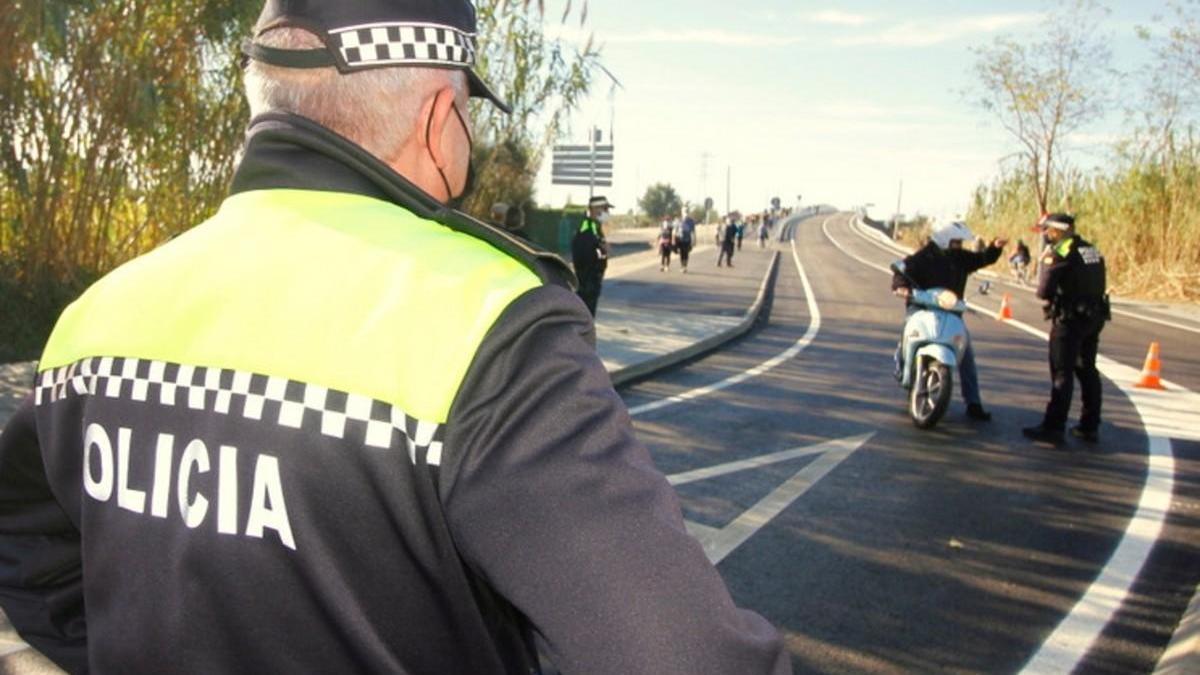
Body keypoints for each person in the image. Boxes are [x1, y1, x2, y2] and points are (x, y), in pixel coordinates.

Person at [0, 1, 790, 673]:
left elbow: (28, 556)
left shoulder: (94, 320)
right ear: (440, 119)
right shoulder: (494, 322)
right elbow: (681, 655)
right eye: (470, 115)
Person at [891, 220, 1008, 421]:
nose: (959, 246)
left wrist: (994, 249)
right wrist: (901, 287)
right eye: (956, 242)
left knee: (966, 354)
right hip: (922, 307)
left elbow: (981, 259)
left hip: (951, 312)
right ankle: (903, 372)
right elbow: (903, 270)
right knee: (907, 335)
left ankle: (974, 402)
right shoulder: (923, 257)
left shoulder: (960, 258)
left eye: (960, 242)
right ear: (945, 240)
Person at [1023, 213, 1110, 445]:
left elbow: (1043, 290)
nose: (1046, 235)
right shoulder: (1091, 249)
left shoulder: (1061, 251)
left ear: (1058, 231)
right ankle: (1089, 425)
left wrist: (1045, 261)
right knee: (1087, 370)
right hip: (1094, 317)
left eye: (1048, 231)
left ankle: (1053, 426)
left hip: (1070, 320)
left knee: (1063, 373)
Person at [571, 195, 611, 315]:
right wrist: (602, 250)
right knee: (585, 317)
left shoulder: (595, 227)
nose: (607, 213)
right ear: (595, 209)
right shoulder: (588, 227)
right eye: (605, 209)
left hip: (592, 280)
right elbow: (585, 254)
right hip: (587, 281)